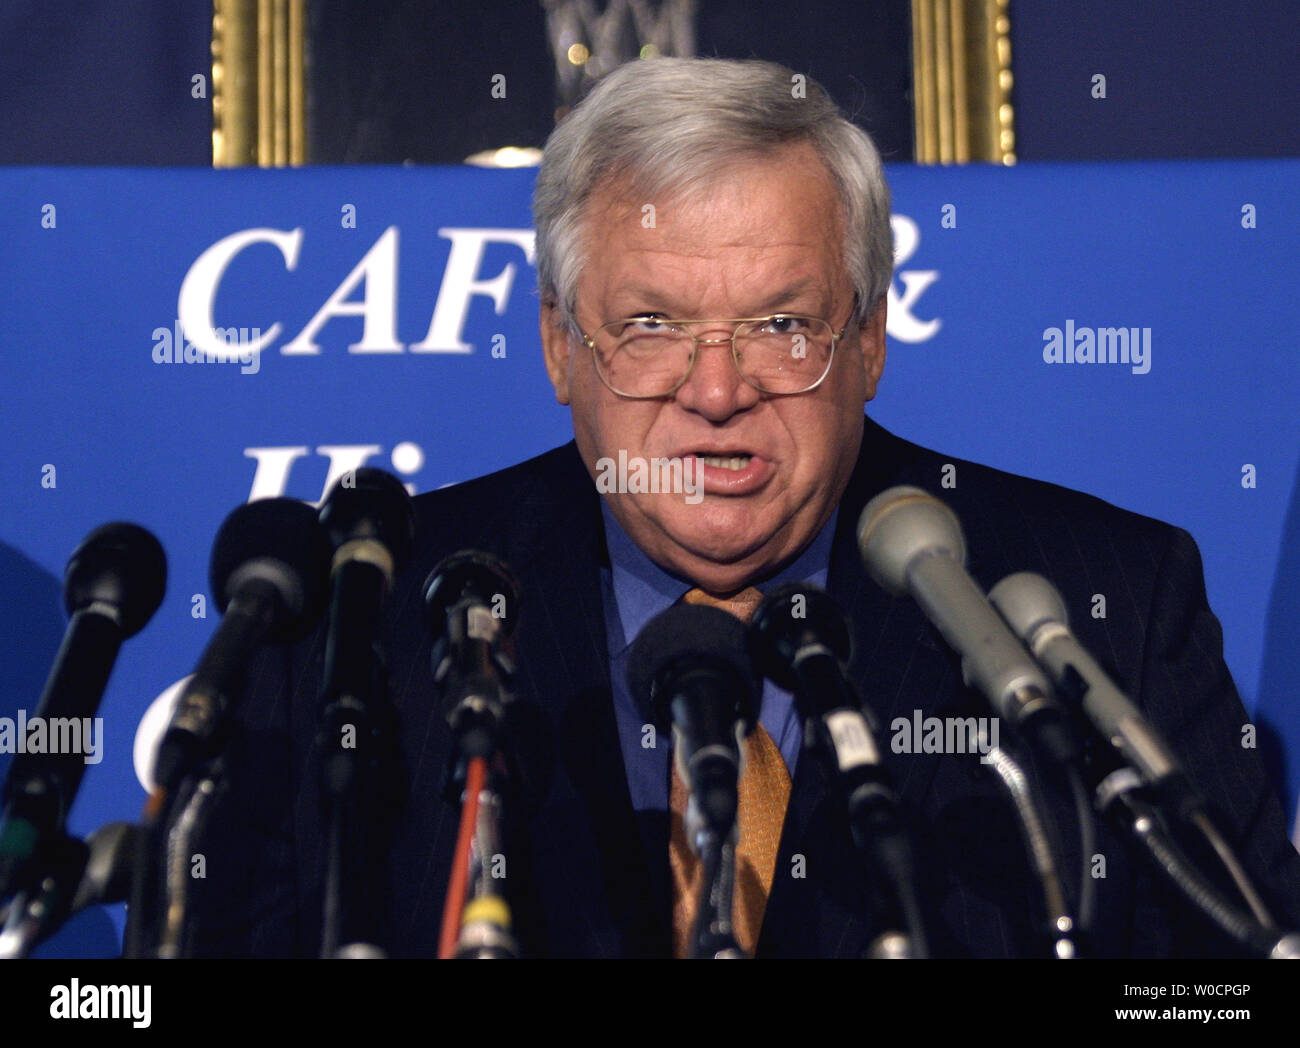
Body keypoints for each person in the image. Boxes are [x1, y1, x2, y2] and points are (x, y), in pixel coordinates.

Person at [191, 57, 1300, 958]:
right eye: (651, 326)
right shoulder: (360, 620)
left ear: (867, 340)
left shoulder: (1104, 602)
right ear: (558, 346)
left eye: (782, 326)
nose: (717, 393)